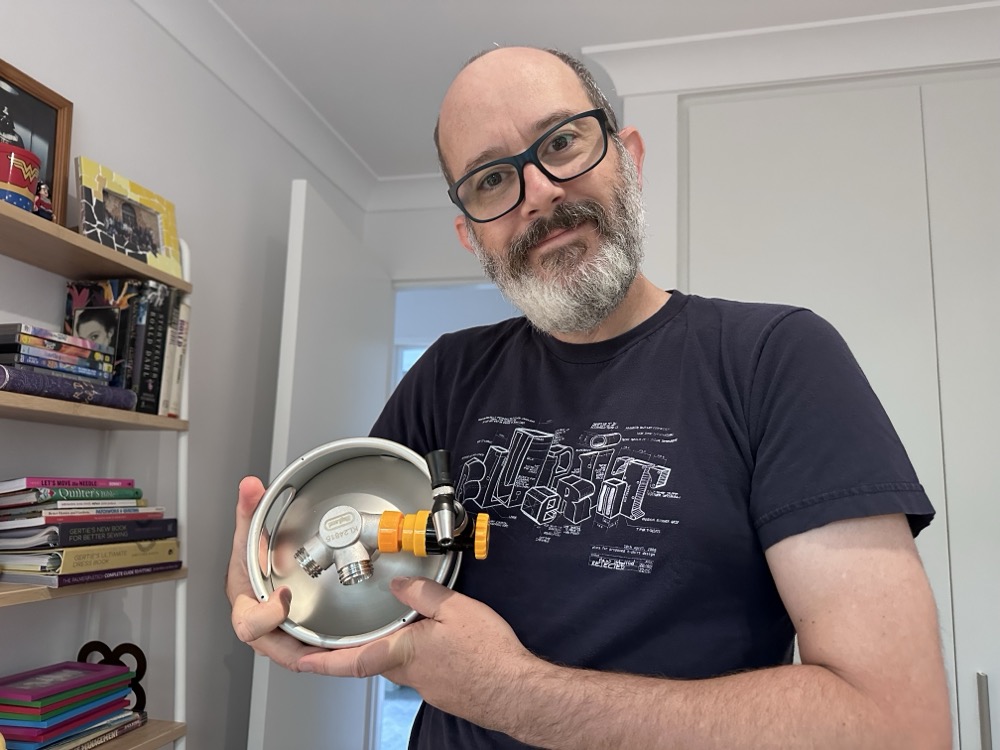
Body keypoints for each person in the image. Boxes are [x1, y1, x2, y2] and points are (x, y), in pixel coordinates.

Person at [227, 46, 951, 749]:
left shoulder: (777, 357)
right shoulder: (447, 375)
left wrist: (517, 696)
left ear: (627, 156)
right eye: (489, 181)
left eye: (563, 141)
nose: (539, 190)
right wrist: (270, 579)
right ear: (470, 235)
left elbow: (897, 727)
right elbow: (338, 560)